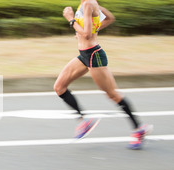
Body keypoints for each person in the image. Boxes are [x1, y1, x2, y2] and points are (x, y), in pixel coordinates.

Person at [54, 0, 153, 149]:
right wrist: (88, 29)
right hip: (84, 55)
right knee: (59, 87)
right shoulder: (88, 3)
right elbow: (109, 19)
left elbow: (87, 35)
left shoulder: (88, 4)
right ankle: (84, 121)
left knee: (112, 94)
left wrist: (70, 19)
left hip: (94, 55)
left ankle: (139, 129)